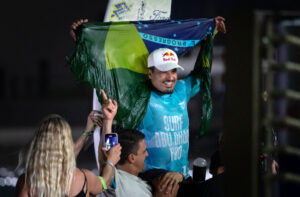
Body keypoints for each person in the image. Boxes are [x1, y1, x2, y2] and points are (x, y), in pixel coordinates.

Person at [70, 17, 226, 194]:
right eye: (163, 71)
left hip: (181, 180)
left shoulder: (182, 89)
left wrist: (209, 40)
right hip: (152, 182)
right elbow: (103, 70)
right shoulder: (135, 97)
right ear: (149, 73)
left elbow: (202, 74)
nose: (170, 77)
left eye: (174, 70)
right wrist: (84, 40)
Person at [15, 111, 121, 197]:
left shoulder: (26, 183)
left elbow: (66, 158)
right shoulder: (83, 178)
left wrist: (87, 132)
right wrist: (110, 161)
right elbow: (104, 182)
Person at [99, 89, 178, 197]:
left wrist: (179, 175)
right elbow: (108, 154)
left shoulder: (144, 181)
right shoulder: (117, 179)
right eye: (144, 151)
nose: (147, 154)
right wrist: (108, 120)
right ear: (132, 158)